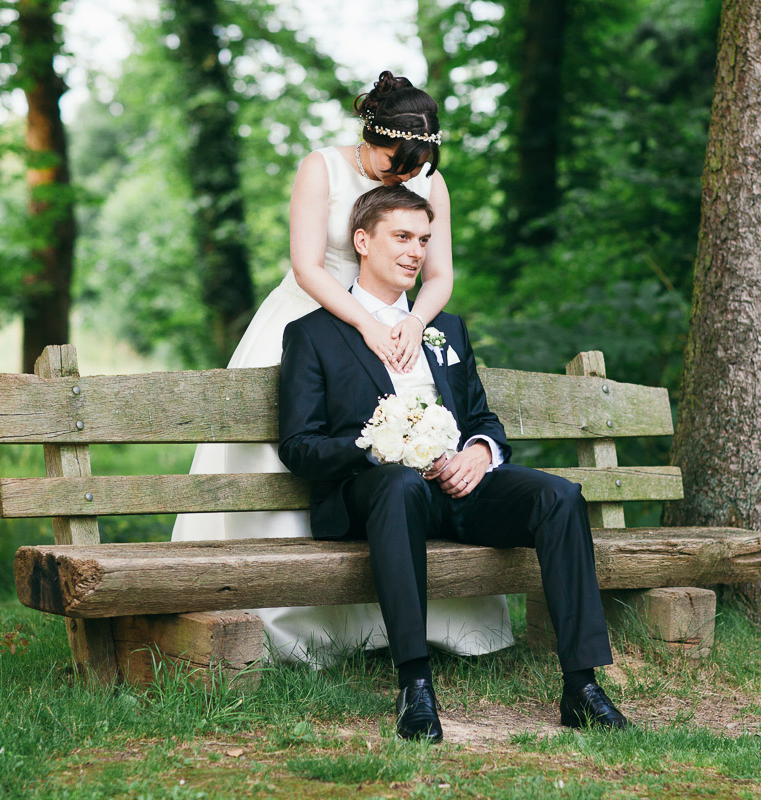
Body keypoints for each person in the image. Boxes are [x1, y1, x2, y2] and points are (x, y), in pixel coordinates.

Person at [172, 72, 511, 665]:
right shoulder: (322, 169)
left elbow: (440, 276)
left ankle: (395, 626)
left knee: (392, 466)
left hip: (394, 324)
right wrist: (365, 324)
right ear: (369, 135)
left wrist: (410, 322)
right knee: (300, 462)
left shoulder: (429, 179)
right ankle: (289, 625)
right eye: (390, 163)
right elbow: (308, 266)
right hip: (310, 324)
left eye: (414, 167)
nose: (400, 177)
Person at [278, 185, 630, 741]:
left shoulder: (447, 331)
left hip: (457, 491)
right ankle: (415, 685)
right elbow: (299, 446)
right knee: (397, 486)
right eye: (402, 237)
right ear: (362, 241)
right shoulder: (313, 336)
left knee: (559, 496)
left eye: (423, 240)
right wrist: (374, 446)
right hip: (376, 496)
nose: (416, 251)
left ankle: (581, 686)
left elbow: (483, 419)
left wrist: (478, 453)